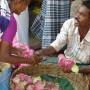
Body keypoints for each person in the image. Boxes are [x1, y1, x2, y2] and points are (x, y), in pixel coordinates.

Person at [35, 0, 90, 73]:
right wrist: (41, 52)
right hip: (67, 62)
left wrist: (77, 70)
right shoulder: (69, 24)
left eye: (82, 15)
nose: (77, 16)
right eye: (78, 13)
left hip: (85, 68)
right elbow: (57, 44)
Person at [0, 0, 41, 65]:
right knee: (7, 71)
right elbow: (3, 57)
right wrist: (29, 60)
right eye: (26, 4)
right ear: (18, 1)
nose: (25, 9)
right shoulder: (10, 22)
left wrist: (14, 50)